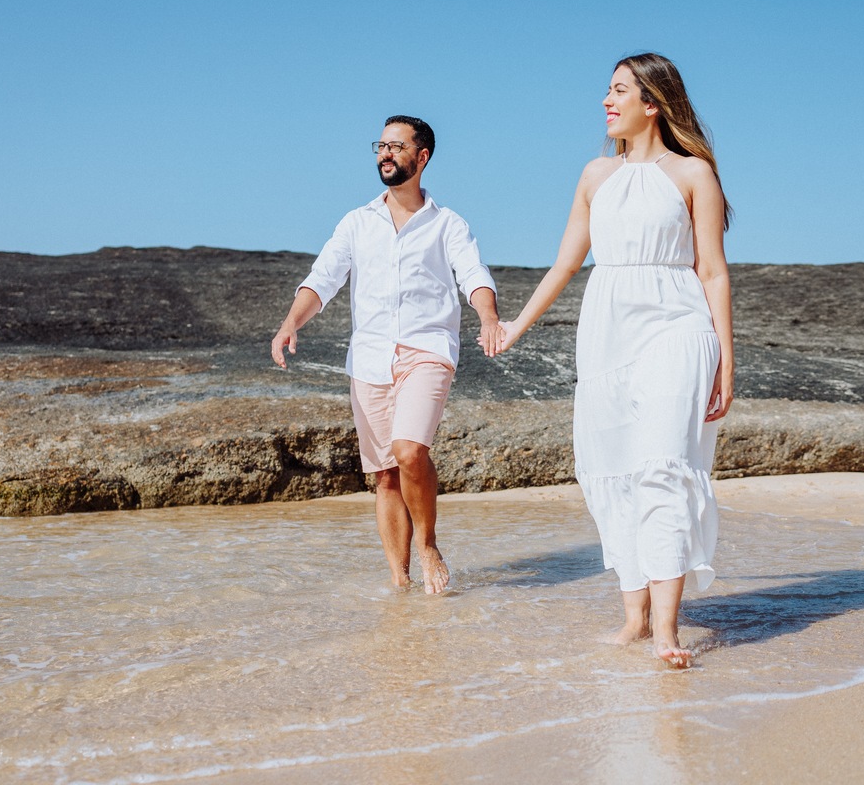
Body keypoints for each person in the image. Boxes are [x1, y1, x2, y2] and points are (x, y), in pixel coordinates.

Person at [492, 54, 734, 666]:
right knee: (615, 469)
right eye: (607, 89)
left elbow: (712, 270)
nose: (606, 100)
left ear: (652, 103)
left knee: (662, 468)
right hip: (607, 334)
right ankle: (635, 618)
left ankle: (667, 631)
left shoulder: (693, 174)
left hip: (678, 326)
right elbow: (566, 263)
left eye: (619, 90)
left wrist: (726, 362)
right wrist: (515, 325)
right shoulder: (595, 175)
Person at [272, 115, 501, 595]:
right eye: (380, 145)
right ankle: (400, 584)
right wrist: (291, 322)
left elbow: (473, 274)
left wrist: (488, 317)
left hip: (427, 350)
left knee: (410, 451)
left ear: (422, 157)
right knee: (385, 476)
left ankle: (428, 544)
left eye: (396, 146)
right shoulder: (356, 222)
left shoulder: (447, 224)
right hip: (370, 359)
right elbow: (323, 279)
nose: (385, 154)